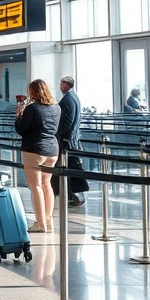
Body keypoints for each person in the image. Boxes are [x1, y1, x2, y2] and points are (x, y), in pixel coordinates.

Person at [16, 79, 61, 233]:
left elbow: (21, 129)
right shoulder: (56, 107)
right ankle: (48, 220)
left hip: (34, 149)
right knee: (46, 184)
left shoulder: (32, 108)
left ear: (33, 91)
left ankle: (39, 223)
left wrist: (18, 115)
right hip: (52, 149)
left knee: (35, 186)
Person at [56, 76, 85, 207]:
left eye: (61, 84)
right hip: (71, 137)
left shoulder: (68, 99)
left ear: (66, 85)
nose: (60, 87)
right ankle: (73, 194)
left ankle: (75, 194)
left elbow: (67, 121)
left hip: (67, 139)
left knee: (70, 166)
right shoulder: (74, 97)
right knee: (72, 166)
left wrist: (57, 133)